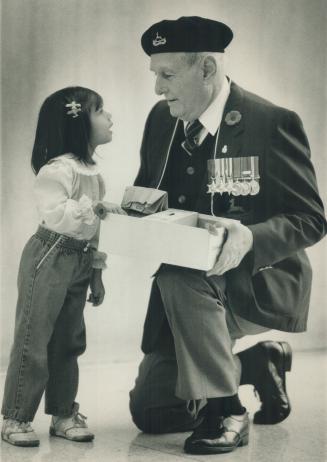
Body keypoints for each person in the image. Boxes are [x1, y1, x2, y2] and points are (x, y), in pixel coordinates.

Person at [129, 16, 327, 455]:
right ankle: (256, 362)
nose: (158, 89)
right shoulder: (161, 121)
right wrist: (118, 220)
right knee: (154, 411)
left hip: (254, 281)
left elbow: (311, 218)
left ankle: (226, 410)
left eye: (167, 75)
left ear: (206, 68)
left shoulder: (270, 122)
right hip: (186, 296)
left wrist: (250, 238)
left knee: (178, 277)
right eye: (155, 76)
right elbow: (148, 196)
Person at [1, 86, 125, 447]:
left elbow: (95, 230)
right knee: (33, 337)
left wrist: (97, 273)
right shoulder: (58, 170)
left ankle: (63, 412)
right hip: (50, 256)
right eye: (100, 110)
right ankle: (16, 416)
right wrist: (94, 208)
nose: (109, 116)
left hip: (80, 259)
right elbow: (55, 215)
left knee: (70, 340)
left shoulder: (94, 173)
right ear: (77, 123)